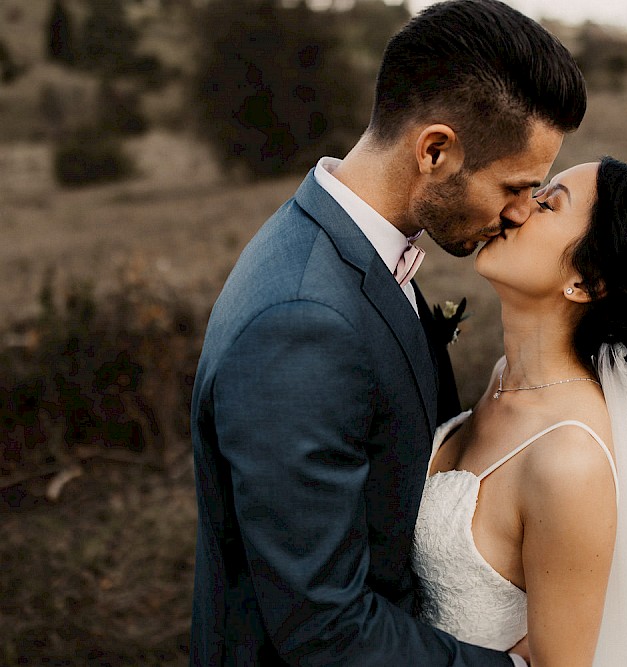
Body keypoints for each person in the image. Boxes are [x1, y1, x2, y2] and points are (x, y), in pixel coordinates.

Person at [188, 1, 586, 664]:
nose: (520, 213)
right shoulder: (300, 323)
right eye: (514, 186)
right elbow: (324, 628)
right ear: (434, 150)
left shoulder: (358, 244)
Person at [412, 156, 627, 666]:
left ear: (586, 283)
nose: (516, 207)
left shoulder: (569, 460)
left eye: (547, 203)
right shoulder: (505, 379)